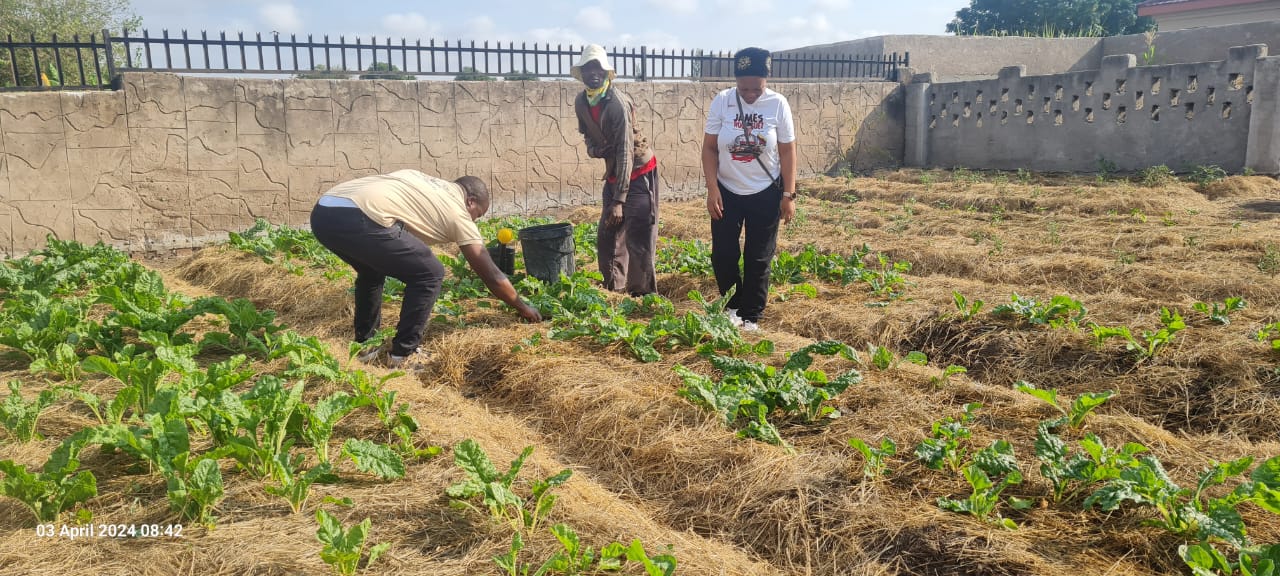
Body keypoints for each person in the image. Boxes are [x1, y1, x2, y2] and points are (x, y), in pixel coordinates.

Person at [309, 170, 542, 368]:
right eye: (477, 215)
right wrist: (522, 306)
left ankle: (366, 346)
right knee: (430, 273)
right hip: (360, 216)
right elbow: (490, 274)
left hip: (325, 211)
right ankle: (403, 354)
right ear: (470, 201)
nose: (475, 221)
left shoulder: (423, 180)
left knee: (371, 272)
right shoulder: (458, 212)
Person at [701, 47, 797, 332]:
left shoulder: (778, 104)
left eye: (757, 88)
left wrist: (788, 195)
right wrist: (712, 189)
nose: (750, 94)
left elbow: (788, 151)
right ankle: (732, 305)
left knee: (759, 255)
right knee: (723, 254)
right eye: (744, 88)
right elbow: (708, 148)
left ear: (767, 80)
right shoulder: (722, 101)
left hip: (766, 191)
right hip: (727, 190)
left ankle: (751, 315)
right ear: (736, 81)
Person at [572, 44, 659, 296]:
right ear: (582, 73)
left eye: (598, 68)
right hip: (615, 173)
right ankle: (614, 291)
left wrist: (619, 199)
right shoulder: (582, 101)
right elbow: (586, 135)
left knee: (638, 238)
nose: (594, 73)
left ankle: (642, 297)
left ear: (607, 73)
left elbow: (625, 151)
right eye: (588, 68)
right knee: (607, 236)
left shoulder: (617, 103)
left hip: (638, 173)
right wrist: (593, 150)